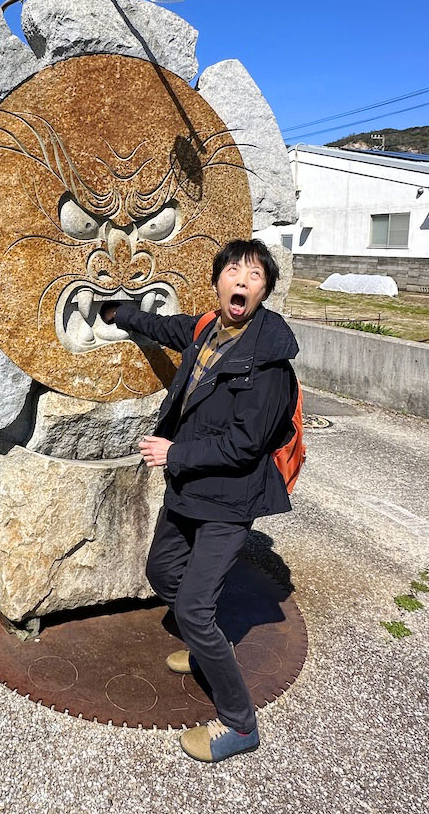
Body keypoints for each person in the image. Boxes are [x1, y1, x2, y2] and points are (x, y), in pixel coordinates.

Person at [101, 238, 299, 764]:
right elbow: (168, 328)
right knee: (163, 573)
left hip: (230, 498)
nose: (241, 280)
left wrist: (175, 452)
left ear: (264, 291)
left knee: (191, 606)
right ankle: (206, 642)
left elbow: (245, 444)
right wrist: (122, 313)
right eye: (233, 270)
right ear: (218, 281)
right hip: (190, 490)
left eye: (254, 276)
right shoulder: (208, 329)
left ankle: (239, 725)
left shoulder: (269, 362)